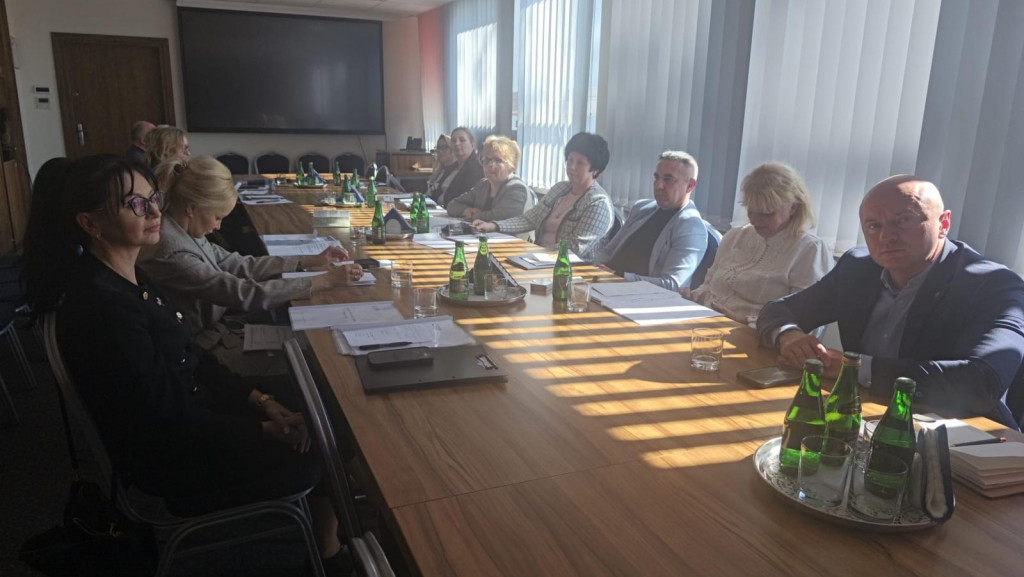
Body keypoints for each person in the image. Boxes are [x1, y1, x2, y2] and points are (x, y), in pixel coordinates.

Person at [20, 155, 348, 569]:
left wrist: (260, 399)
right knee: (331, 428)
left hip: (197, 418)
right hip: (179, 461)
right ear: (90, 223)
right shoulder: (104, 309)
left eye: (153, 198)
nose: (156, 212)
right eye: (136, 204)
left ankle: (328, 537)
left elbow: (191, 357)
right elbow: (170, 421)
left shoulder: (125, 276)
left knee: (325, 405)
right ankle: (330, 552)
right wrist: (266, 430)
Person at [757, 175, 1024, 428]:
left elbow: (983, 382)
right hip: (862, 416)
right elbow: (778, 309)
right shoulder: (858, 268)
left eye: (903, 220)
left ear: (943, 224)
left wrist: (856, 370)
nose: (887, 237)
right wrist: (789, 335)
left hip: (962, 436)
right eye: (874, 226)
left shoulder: (994, 285)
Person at [140, 156, 361, 376]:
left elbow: (240, 264)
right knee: (311, 365)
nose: (218, 226)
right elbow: (243, 293)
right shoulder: (172, 250)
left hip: (218, 332)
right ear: (192, 208)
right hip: (200, 352)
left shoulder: (183, 229)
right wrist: (325, 280)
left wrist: (309, 260)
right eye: (217, 217)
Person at [683, 162, 833, 322]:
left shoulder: (810, 250)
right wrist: (697, 295)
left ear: (793, 208)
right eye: (750, 211)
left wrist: (748, 322)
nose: (754, 220)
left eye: (766, 214)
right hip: (706, 323)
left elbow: (805, 320)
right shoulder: (734, 237)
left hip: (757, 334)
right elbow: (709, 284)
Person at [472, 132, 614, 261]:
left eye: (580, 162)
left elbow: (575, 248)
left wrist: (532, 254)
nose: (572, 167)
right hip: (537, 259)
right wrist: (494, 226)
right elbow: (529, 219)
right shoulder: (560, 189)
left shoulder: (598, 203)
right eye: (570, 160)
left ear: (595, 170)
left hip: (570, 269)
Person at [596, 150, 711, 290]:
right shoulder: (642, 208)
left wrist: (617, 276)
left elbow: (672, 284)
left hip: (637, 294)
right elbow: (608, 252)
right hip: (603, 284)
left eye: (668, 179)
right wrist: (591, 269)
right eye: (657, 178)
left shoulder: (691, 227)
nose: (658, 185)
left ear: (690, 185)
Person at [446, 135, 534, 222]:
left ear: (511, 166)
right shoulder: (483, 185)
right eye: (487, 159)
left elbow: (499, 217)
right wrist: (465, 210)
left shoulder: (518, 188)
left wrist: (474, 216)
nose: (490, 165)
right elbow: (452, 205)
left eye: (498, 160)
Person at [433, 126, 484, 207]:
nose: (457, 143)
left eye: (462, 140)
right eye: (453, 140)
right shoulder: (452, 167)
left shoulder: (476, 169)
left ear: (472, 144)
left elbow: (468, 201)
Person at [426, 134, 458, 200]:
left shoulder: (458, 172)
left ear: (452, 149)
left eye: (445, 147)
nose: (440, 151)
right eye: (438, 148)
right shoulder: (439, 171)